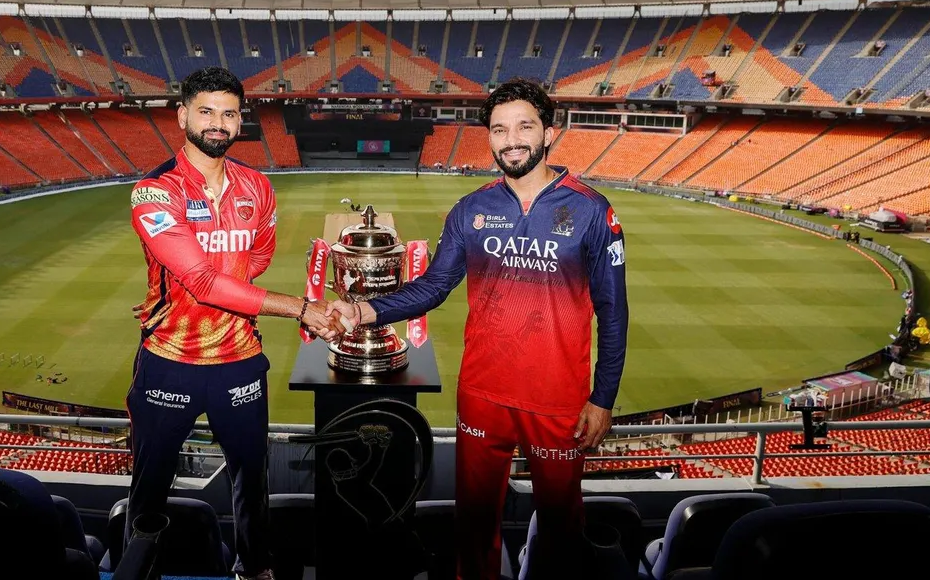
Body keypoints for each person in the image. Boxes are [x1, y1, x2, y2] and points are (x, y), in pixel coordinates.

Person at [322, 78, 629, 579]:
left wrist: (604, 397)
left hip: (556, 398)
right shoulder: (471, 209)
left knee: (561, 525)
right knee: (474, 524)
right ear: (488, 138)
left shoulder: (593, 211)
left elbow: (613, 311)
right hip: (483, 391)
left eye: (524, 127)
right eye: (499, 129)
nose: (511, 140)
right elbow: (435, 285)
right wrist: (362, 312)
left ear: (549, 134)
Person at [126, 66, 346, 580]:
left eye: (229, 113)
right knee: (151, 482)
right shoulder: (154, 192)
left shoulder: (258, 186)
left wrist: (231, 284)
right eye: (206, 111)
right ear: (182, 115)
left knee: (253, 480)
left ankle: (256, 569)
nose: (219, 123)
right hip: (170, 361)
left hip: (240, 362)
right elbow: (202, 281)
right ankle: (140, 569)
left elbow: (258, 257)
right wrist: (301, 307)